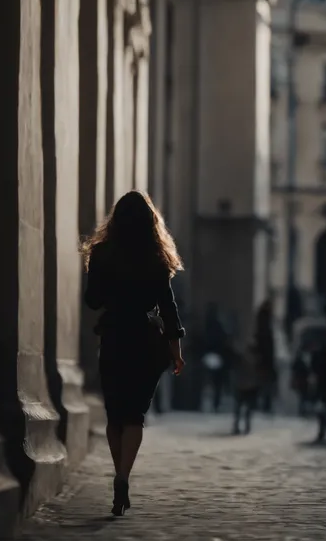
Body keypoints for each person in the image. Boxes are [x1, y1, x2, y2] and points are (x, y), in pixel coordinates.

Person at [81, 190, 185, 516]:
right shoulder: (156, 257)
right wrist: (176, 353)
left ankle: (118, 474)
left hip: (113, 337)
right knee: (134, 416)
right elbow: (169, 309)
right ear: (150, 223)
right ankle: (124, 475)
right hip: (145, 341)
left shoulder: (101, 253)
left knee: (115, 414)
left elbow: (92, 301)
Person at [232, 344, 262, 435]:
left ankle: (243, 427)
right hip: (245, 387)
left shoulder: (253, 362)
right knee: (242, 409)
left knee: (244, 409)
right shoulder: (252, 362)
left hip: (247, 387)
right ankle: (241, 427)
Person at [254, 299, 277, 414]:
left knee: (263, 382)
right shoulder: (265, 322)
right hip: (265, 357)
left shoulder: (263, 321)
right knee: (264, 382)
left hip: (264, 357)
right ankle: (264, 403)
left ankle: (263, 403)